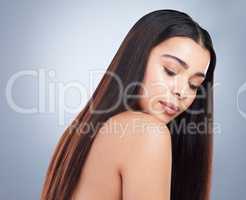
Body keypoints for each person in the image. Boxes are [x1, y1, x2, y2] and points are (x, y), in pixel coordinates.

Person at [41, 9, 217, 200]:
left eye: (194, 85)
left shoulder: (81, 135)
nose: (181, 91)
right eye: (170, 70)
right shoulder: (147, 131)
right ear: (138, 57)